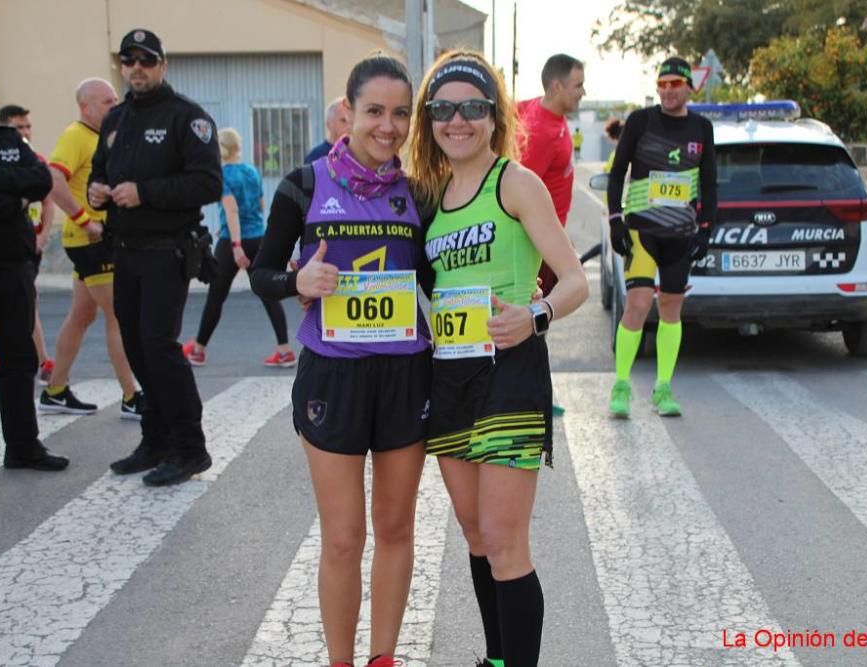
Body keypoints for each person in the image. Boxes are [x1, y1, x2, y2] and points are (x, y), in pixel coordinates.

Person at [250, 54, 432, 667]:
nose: (389, 126)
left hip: (406, 376)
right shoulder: (303, 185)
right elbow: (263, 275)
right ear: (347, 112)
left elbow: (445, 275)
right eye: (375, 111)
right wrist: (300, 280)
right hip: (333, 374)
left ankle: (383, 657)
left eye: (401, 113)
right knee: (344, 538)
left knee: (397, 530)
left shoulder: (419, 192)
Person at [409, 50, 589, 667]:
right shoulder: (428, 195)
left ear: (494, 116)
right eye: (444, 109)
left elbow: (572, 281)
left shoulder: (515, 182)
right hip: (450, 377)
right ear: (428, 118)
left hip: (509, 375)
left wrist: (534, 315)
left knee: (507, 543)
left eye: (473, 109)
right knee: (477, 536)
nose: (457, 121)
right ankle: (496, 658)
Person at [88, 29, 222, 486]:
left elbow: (207, 184)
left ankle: (190, 448)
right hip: (124, 251)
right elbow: (100, 173)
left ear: (163, 65)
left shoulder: (187, 117)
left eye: (147, 60)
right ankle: (156, 438)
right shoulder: (116, 119)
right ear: (122, 68)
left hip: (168, 250)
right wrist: (97, 191)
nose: (137, 69)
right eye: (129, 61)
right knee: (137, 348)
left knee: (161, 348)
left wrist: (144, 193)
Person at [0, 64, 68, 485]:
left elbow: (40, 178)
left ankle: (23, 447)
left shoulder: (8, 140)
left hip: (13, 270)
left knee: (20, 360)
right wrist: (10, 200)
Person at [605, 57, 717, 418]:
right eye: (662, 84)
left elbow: (710, 181)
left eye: (675, 84)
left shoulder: (702, 128)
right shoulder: (641, 121)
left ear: (689, 87)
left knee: (671, 307)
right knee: (637, 304)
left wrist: (706, 229)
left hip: (680, 233)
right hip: (642, 230)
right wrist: (615, 220)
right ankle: (621, 386)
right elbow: (617, 170)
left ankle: (663, 388)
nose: (667, 91)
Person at [41, 78, 144, 420]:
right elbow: (52, 181)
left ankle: (55, 390)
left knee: (82, 314)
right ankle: (132, 395)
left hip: (97, 239)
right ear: (85, 106)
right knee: (120, 314)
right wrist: (85, 221)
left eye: (116, 100)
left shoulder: (102, 137)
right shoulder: (76, 135)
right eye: (107, 102)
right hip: (91, 241)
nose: (115, 106)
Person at [182, 127, 294, 368]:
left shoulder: (222, 175)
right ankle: (285, 350)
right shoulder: (252, 171)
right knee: (268, 293)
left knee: (216, 296)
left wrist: (235, 244)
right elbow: (261, 205)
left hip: (236, 241)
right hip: (258, 237)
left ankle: (198, 350)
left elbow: (231, 210)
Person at [516, 53, 585, 297]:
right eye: (578, 85)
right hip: (538, 247)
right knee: (533, 323)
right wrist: (557, 243)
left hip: (547, 240)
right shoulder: (541, 133)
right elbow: (520, 195)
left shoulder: (538, 107)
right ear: (557, 86)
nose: (583, 92)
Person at [0, 104, 55, 385]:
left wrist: (42, 239)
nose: (25, 132)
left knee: (27, 300)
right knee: (26, 301)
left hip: (32, 244)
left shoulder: (35, 160)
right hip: (9, 246)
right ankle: (43, 360)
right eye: (18, 128)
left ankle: (12, 356)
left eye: (28, 126)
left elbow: (48, 200)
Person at [304, 96, 351, 164]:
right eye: (343, 121)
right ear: (329, 124)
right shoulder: (316, 157)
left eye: (351, 121)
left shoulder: (358, 156)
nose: (349, 126)